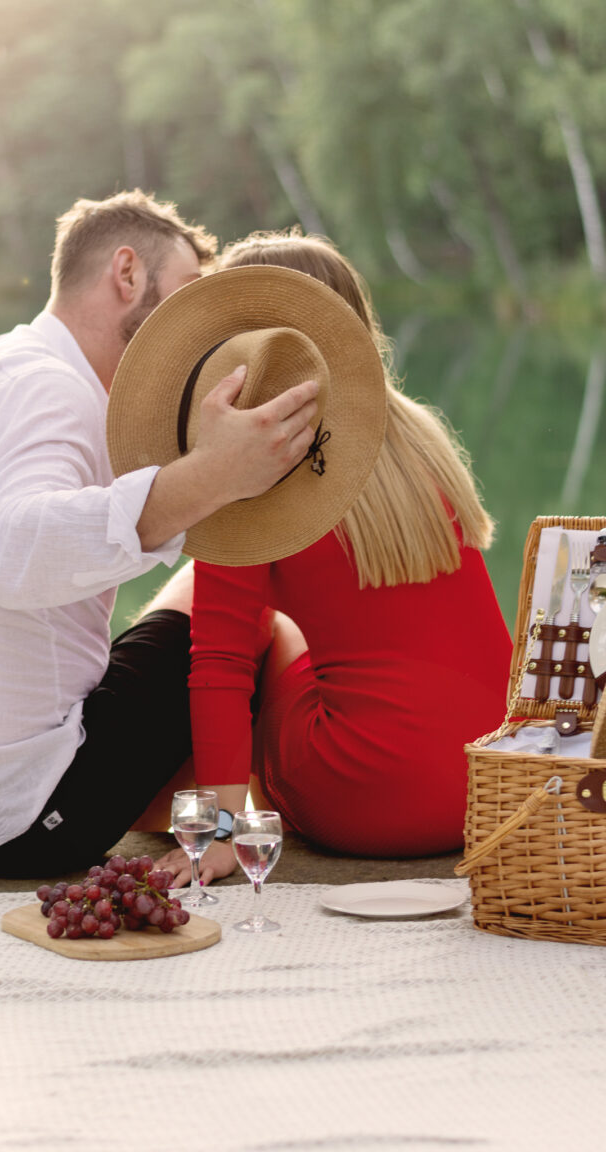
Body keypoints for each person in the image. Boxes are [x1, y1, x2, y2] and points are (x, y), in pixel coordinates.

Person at [0, 194, 322, 878]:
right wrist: (214, 475)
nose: (197, 331)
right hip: (6, 819)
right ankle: (220, 833)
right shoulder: (43, 385)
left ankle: (197, 818)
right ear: (127, 273)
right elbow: (14, 555)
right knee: (239, 622)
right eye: (186, 294)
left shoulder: (3, 367)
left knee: (194, 597)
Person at [126, 230, 512, 887]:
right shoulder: (419, 438)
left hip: (363, 803)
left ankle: (189, 811)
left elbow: (219, 660)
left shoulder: (252, 469)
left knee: (226, 608)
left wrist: (223, 837)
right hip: (488, 791)